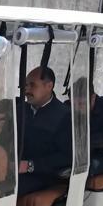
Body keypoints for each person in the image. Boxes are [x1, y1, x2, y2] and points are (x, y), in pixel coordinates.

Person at [17, 67, 73, 195]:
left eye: (32, 85)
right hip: (14, 170)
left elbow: (67, 156)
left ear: (49, 86)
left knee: (1, 190)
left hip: (45, 175)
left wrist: (29, 165)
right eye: (25, 85)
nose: (26, 90)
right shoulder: (19, 110)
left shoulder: (65, 116)